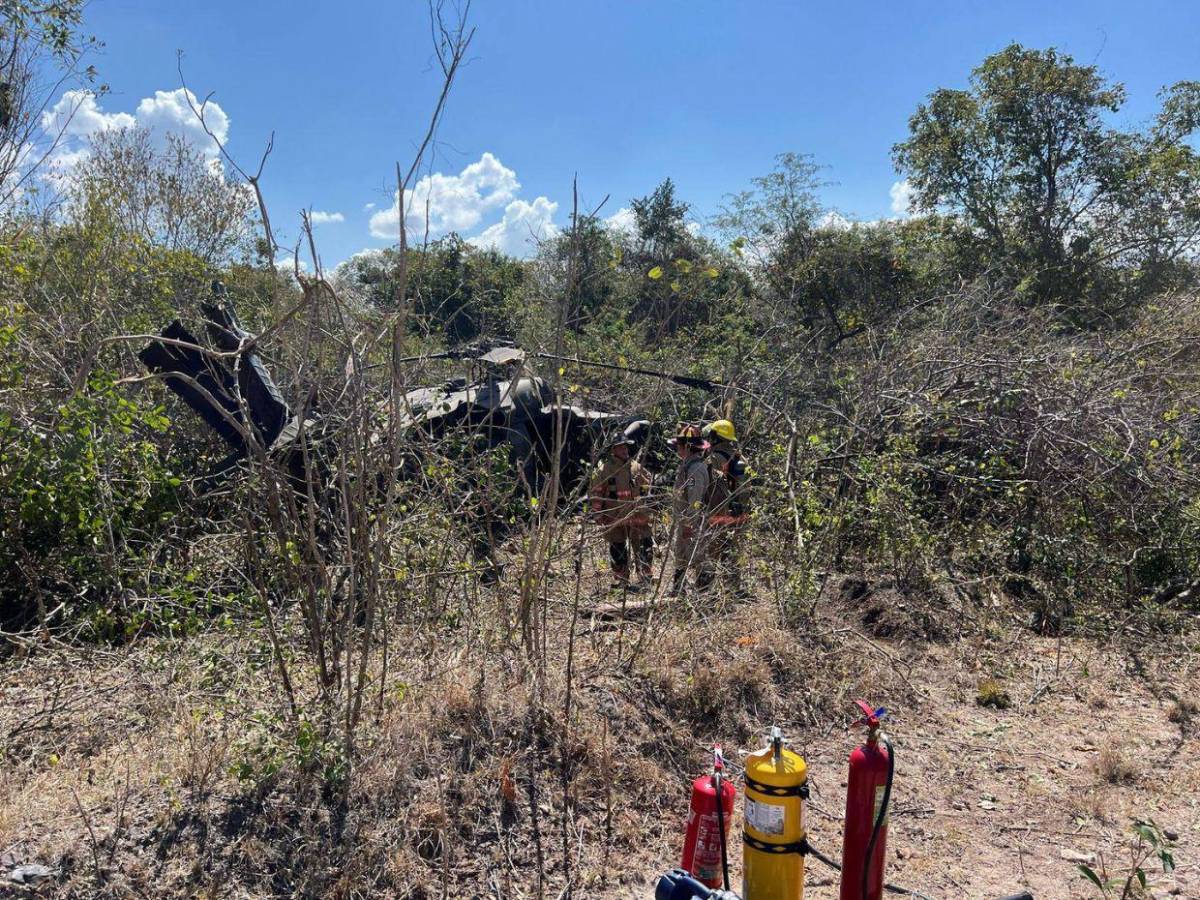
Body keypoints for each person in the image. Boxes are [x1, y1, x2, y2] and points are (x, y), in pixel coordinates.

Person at [589, 436, 653, 587]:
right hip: (614, 517)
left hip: (637, 515)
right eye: (620, 447)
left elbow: (649, 485)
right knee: (618, 549)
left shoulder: (635, 466)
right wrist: (597, 514)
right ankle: (621, 580)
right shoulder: (603, 470)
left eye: (625, 447)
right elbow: (596, 493)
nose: (625, 450)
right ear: (613, 450)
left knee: (644, 545)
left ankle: (645, 577)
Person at [702, 418, 753, 594]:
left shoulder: (713, 459)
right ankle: (733, 588)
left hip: (718, 512)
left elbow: (707, 487)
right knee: (732, 550)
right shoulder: (740, 457)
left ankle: (706, 590)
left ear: (715, 437)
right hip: (739, 513)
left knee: (711, 551)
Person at [669, 423, 711, 594]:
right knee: (681, 555)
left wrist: (689, 524)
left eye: (679, 446)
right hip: (684, 520)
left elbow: (695, 500)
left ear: (686, 447)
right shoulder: (687, 465)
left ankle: (705, 593)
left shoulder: (695, 469)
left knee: (697, 556)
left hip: (692, 522)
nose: (677, 449)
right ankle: (678, 590)